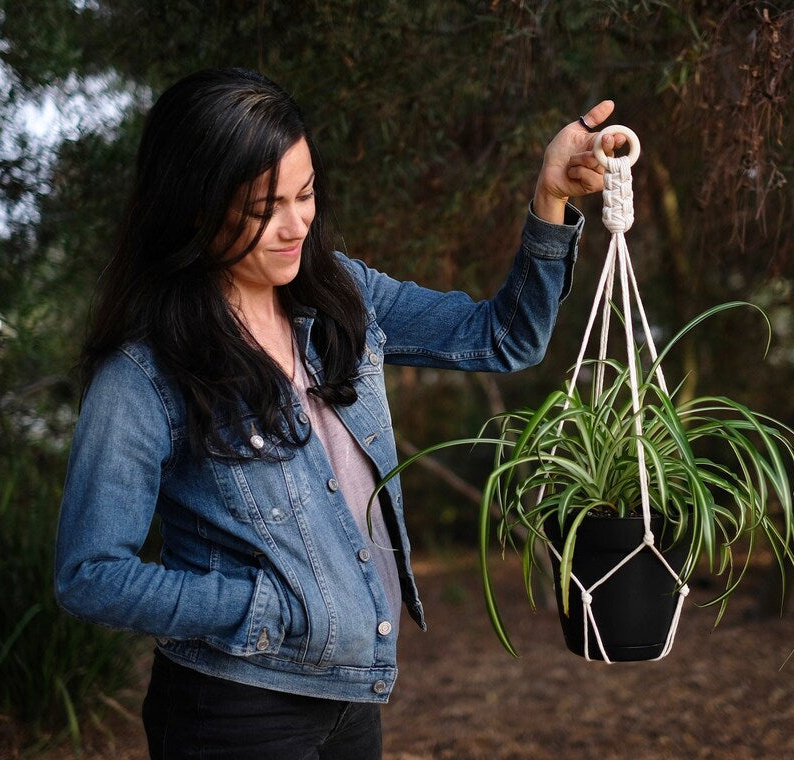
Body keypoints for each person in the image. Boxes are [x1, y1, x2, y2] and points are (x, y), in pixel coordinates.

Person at [53, 67, 621, 759]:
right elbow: (90, 574)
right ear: (196, 208)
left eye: (307, 192)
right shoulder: (145, 374)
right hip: (233, 710)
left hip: (351, 699)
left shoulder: (339, 292)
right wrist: (258, 607)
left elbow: (504, 339)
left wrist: (550, 197)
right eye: (266, 206)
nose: (297, 225)